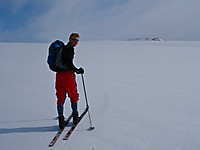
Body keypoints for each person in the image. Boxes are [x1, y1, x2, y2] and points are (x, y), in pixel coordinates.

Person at [56, 33, 84, 129]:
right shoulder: (69, 48)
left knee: (60, 97)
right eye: (74, 40)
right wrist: (77, 70)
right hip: (68, 76)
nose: (75, 42)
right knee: (73, 95)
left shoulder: (62, 48)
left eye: (77, 41)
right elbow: (68, 63)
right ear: (69, 39)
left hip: (59, 75)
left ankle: (61, 121)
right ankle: (75, 117)